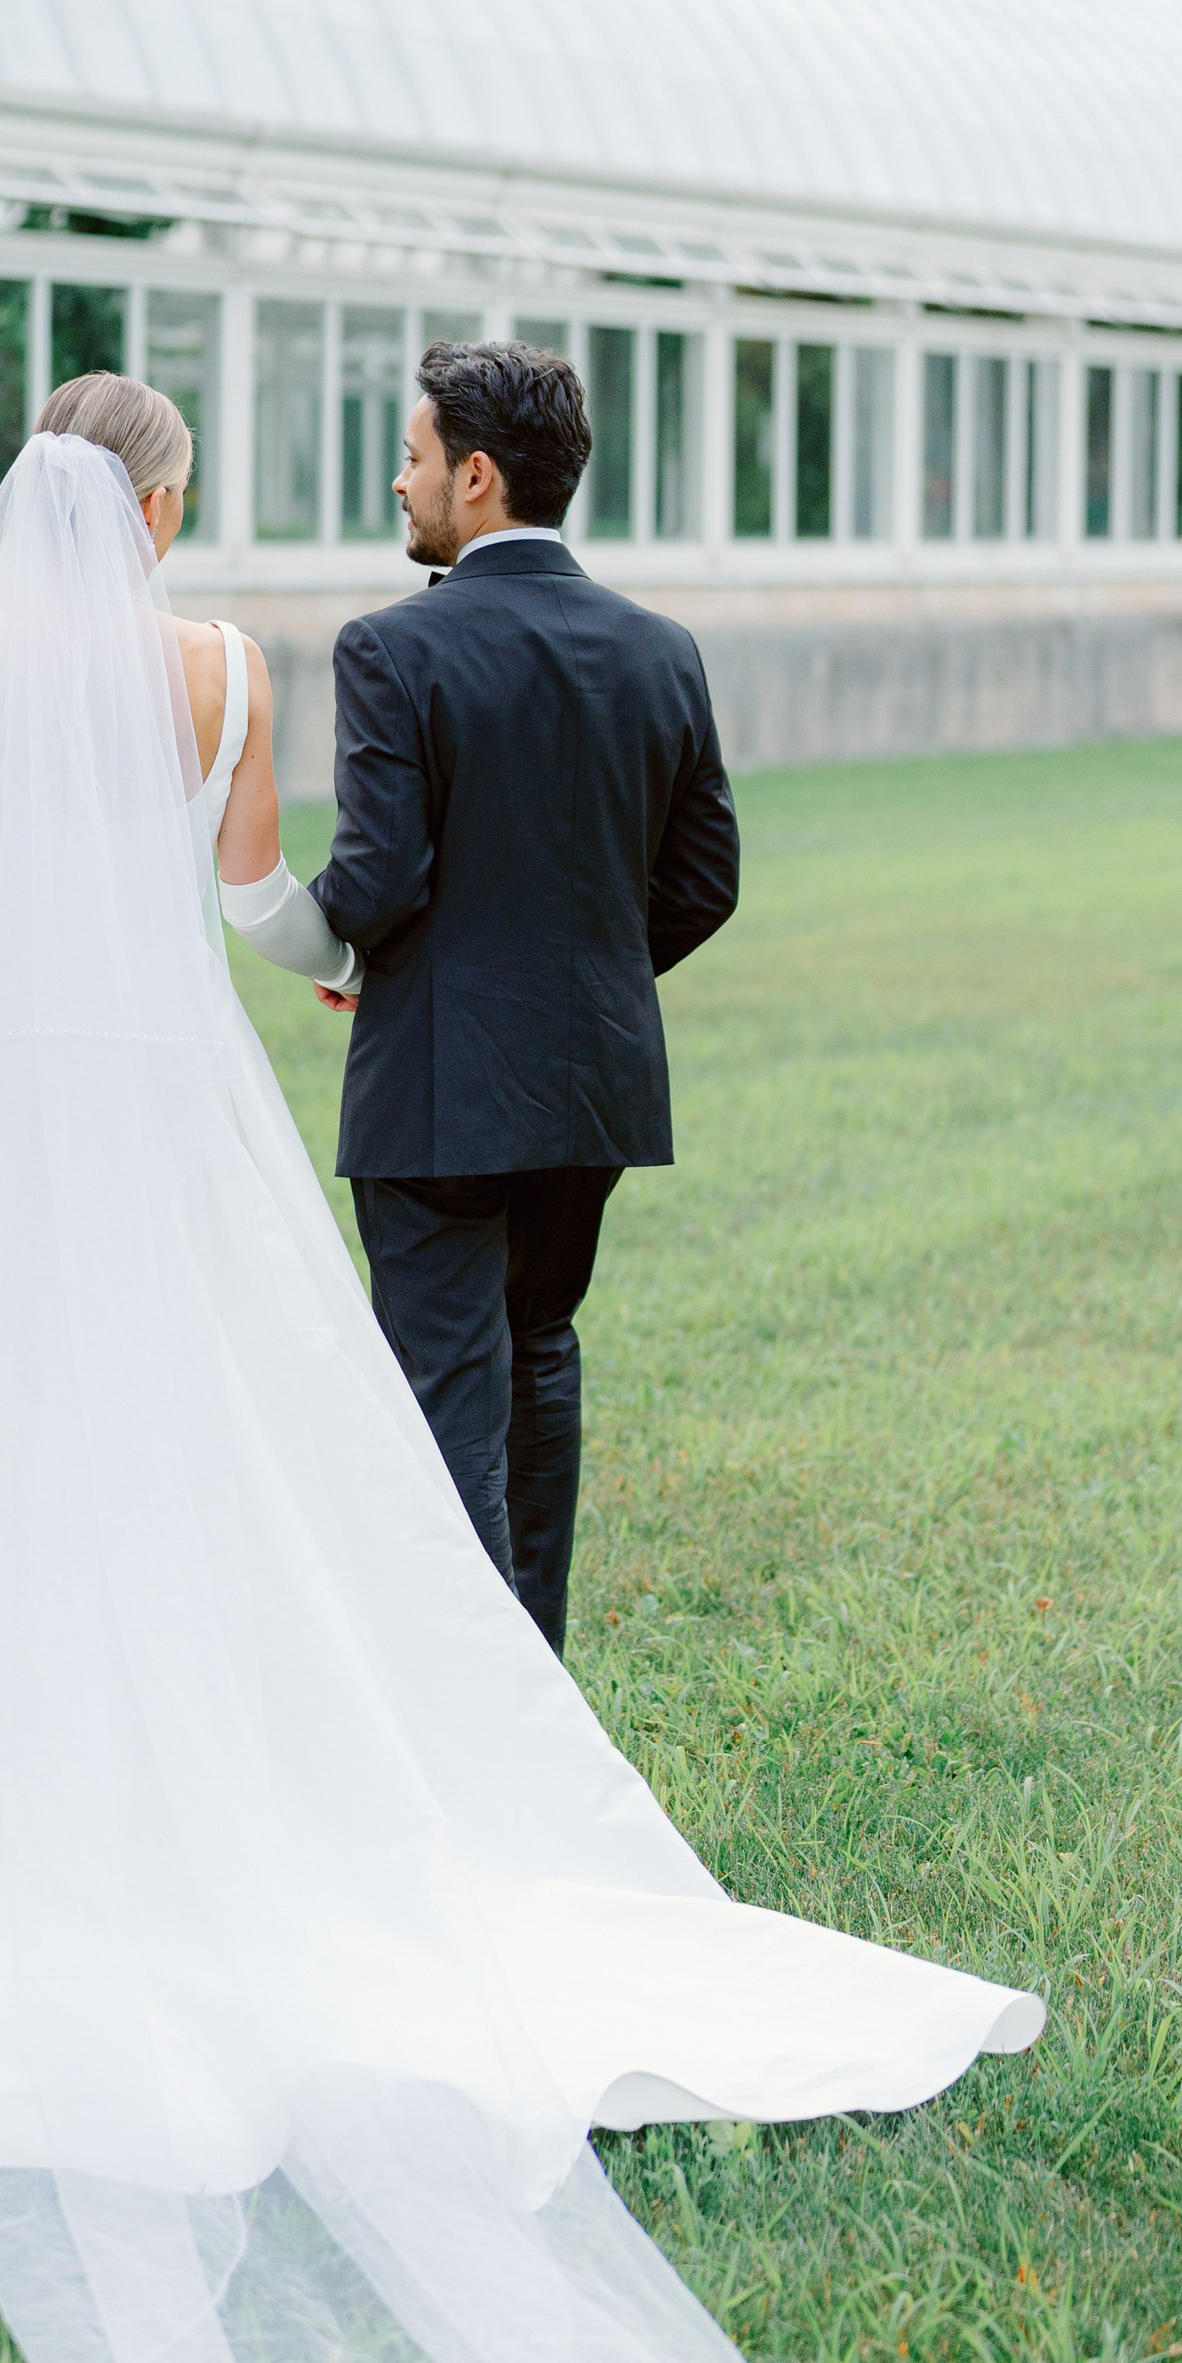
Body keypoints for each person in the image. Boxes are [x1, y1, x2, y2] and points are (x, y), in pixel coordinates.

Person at [0, 370, 1042, 2363]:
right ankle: (420, 1692)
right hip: (181, 1098)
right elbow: (268, 895)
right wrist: (361, 963)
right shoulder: (215, 665)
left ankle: (43, 1726)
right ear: (155, 511)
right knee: (293, 1415)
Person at [311, 339, 735, 1653]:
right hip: (589, 1086)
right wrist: (576, 969)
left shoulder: (391, 650)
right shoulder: (661, 651)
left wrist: (345, 949)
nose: (400, 481)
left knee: (442, 1396)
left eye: (416, 457)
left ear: (478, 477)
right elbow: (704, 881)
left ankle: (473, 1713)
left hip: (440, 1088)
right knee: (538, 1353)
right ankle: (530, 1675)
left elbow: (374, 885)